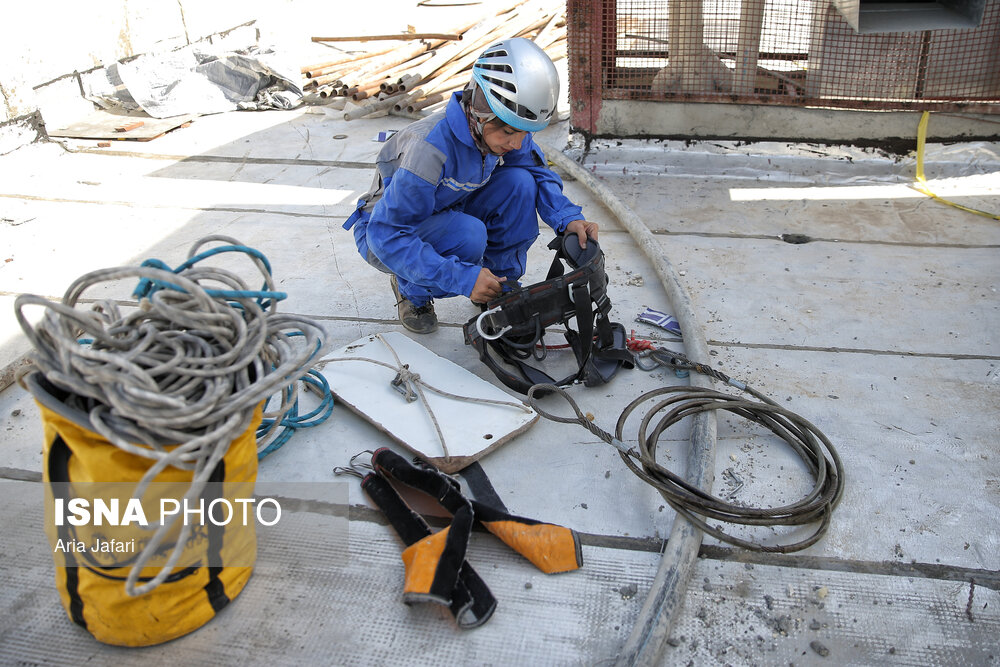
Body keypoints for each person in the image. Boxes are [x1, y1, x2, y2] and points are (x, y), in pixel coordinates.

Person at [343, 37, 599, 334]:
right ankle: (412, 291)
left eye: (524, 133)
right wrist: (463, 278)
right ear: (480, 112)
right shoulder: (429, 149)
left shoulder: (504, 126)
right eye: (508, 132)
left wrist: (568, 219)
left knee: (520, 183)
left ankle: (499, 287)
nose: (517, 143)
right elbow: (386, 234)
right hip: (387, 231)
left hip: (447, 205)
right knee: (468, 235)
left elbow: (534, 169)